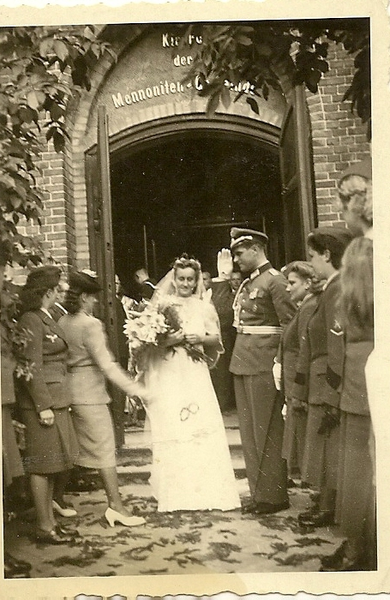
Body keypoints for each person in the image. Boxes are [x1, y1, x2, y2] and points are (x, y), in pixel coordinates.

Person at [140, 254, 241, 512]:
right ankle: (175, 492)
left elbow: (217, 339)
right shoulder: (162, 307)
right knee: (174, 425)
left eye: (190, 279)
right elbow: (151, 341)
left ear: (196, 281)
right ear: (173, 279)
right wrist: (170, 340)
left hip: (194, 372)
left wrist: (200, 337)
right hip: (170, 370)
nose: (185, 284)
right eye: (181, 279)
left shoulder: (204, 307)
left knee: (199, 424)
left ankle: (207, 490)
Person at [321, 157, 375, 571]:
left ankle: (359, 548)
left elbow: (356, 316)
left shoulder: (361, 252)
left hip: (367, 365)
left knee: (359, 459)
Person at [59, 270, 146, 528]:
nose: (96, 302)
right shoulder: (90, 324)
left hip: (69, 391)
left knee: (72, 449)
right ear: (84, 297)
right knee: (105, 451)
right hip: (90, 395)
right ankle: (116, 507)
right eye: (93, 298)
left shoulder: (63, 321)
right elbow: (107, 366)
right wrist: (135, 389)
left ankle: (55, 498)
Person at [225, 228, 296, 515]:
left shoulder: (275, 281)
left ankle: (273, 496)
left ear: (255, 249)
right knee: (250, 432)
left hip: (264, 362)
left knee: (267, 430)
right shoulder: (248, 283)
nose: (236, 260)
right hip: (244, 359)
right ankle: (259, 492)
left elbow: (290, 324)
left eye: (239, 253)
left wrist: (280, 362)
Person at [294, 227, 352, 528]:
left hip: (327, 381)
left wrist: (332, 391)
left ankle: (329, 506)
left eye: (313, 257)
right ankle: (326, 501)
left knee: (329, 444)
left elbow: (336, 342)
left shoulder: (335, 288)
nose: (312, 264)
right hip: (320, 380)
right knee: (325, 444)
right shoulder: (331, 287)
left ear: (327, 255)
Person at [16, 266, 79, 544]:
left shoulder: (47, 317)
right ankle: (44, 527)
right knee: (41, 465)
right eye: (56, 289)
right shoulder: (31, 320)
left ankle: (50, 522)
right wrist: (42, 405)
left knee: (54, 464)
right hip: (43, 404)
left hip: (57, 400)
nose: (59, 293)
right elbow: (31, 366)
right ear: (47, 292)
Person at [273, 261, 318, 483]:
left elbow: (304, 350)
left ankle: (318, 495)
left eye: (292, 283)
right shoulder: (303, 306)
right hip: (293, 384)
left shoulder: (309, 308)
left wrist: (298, 390)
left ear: (308, 283)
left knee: (306, 438)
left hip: (300, 386)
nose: (288, 288)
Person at [210, 270, 242, 413]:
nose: (235, 282)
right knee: (222, 371)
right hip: (227, 336)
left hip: (238, 337)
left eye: (238, 279)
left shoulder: (244, 292)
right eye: (233, 279)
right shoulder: (223, 296)